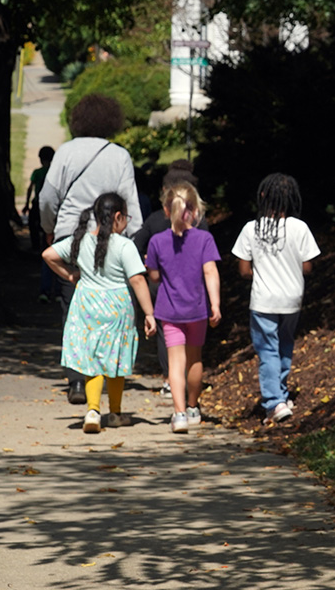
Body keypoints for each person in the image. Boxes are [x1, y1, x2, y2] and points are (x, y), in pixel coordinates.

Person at [39, 94, 142, 405]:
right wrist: (133, 244)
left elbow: (48, 197)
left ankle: (77, 381)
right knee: (108, 311)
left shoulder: (66, 152)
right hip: (110, 241)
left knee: (73, 312)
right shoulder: (120, 155)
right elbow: (130, 202)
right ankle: (108, 372)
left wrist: (48, 228)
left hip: (72, 239)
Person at [41, 193, 156, 433]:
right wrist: (149, 313)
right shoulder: (125, 245)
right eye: (126, 216)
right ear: (117, 217)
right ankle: (114, 413)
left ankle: (93, 411)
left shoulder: (80, 240)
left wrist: (71, 275)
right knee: (115, 358)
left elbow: (48, 255)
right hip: (117, 307)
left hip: (87, 305)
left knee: (91, 359)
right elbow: (137, 280)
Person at [231, 173, 321, 425]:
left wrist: (262, 271)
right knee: (284, 345)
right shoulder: (299, 228)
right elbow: (307, 266)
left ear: (262, 196)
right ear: (291, 198)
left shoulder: (252, 228)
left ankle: (274, 402)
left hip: (263, 300)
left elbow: (243, 269)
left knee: (267, 351)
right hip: (292, 298)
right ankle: (280, 393)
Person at [144, 182, 222, 433]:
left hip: (169, 310)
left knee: (175, 363)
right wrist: (215, 304)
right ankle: (192, 407)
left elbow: (154, 276)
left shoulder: (157, 241)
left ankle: (178, 415)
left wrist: (154, 268)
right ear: (196, 210)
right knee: (195, 359)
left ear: (167, 210)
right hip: (197, 310)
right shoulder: (204, 239)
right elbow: (210, 271)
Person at [133, 169, 210, 401]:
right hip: (193, 292)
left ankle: (168, 378)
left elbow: (136, 244)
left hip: (163, 288)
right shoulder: (200, 225)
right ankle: (192, 400)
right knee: (194, 353)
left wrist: (146, 265)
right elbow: (207, 261)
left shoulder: (155, 220)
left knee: (165, 339)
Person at [24, 145, 57, 303]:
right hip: (53, 211)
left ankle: (35, 245)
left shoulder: (37, 173)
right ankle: (57, 291)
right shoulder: (54, 174)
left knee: (34, 227)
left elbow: (30, 188)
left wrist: (26, 204)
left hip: (38, 205)